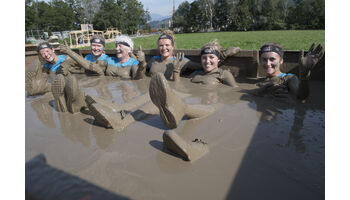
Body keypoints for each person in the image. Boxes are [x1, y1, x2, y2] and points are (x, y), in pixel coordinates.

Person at [254, 42, 323, 101]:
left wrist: (304, 74)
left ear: (281, 61)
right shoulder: (260, 81)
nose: (268, 63)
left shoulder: (289, 78)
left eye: (272, 59)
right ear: (260, 60)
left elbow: (301, 97)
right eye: (264, 59)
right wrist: (260, 92)